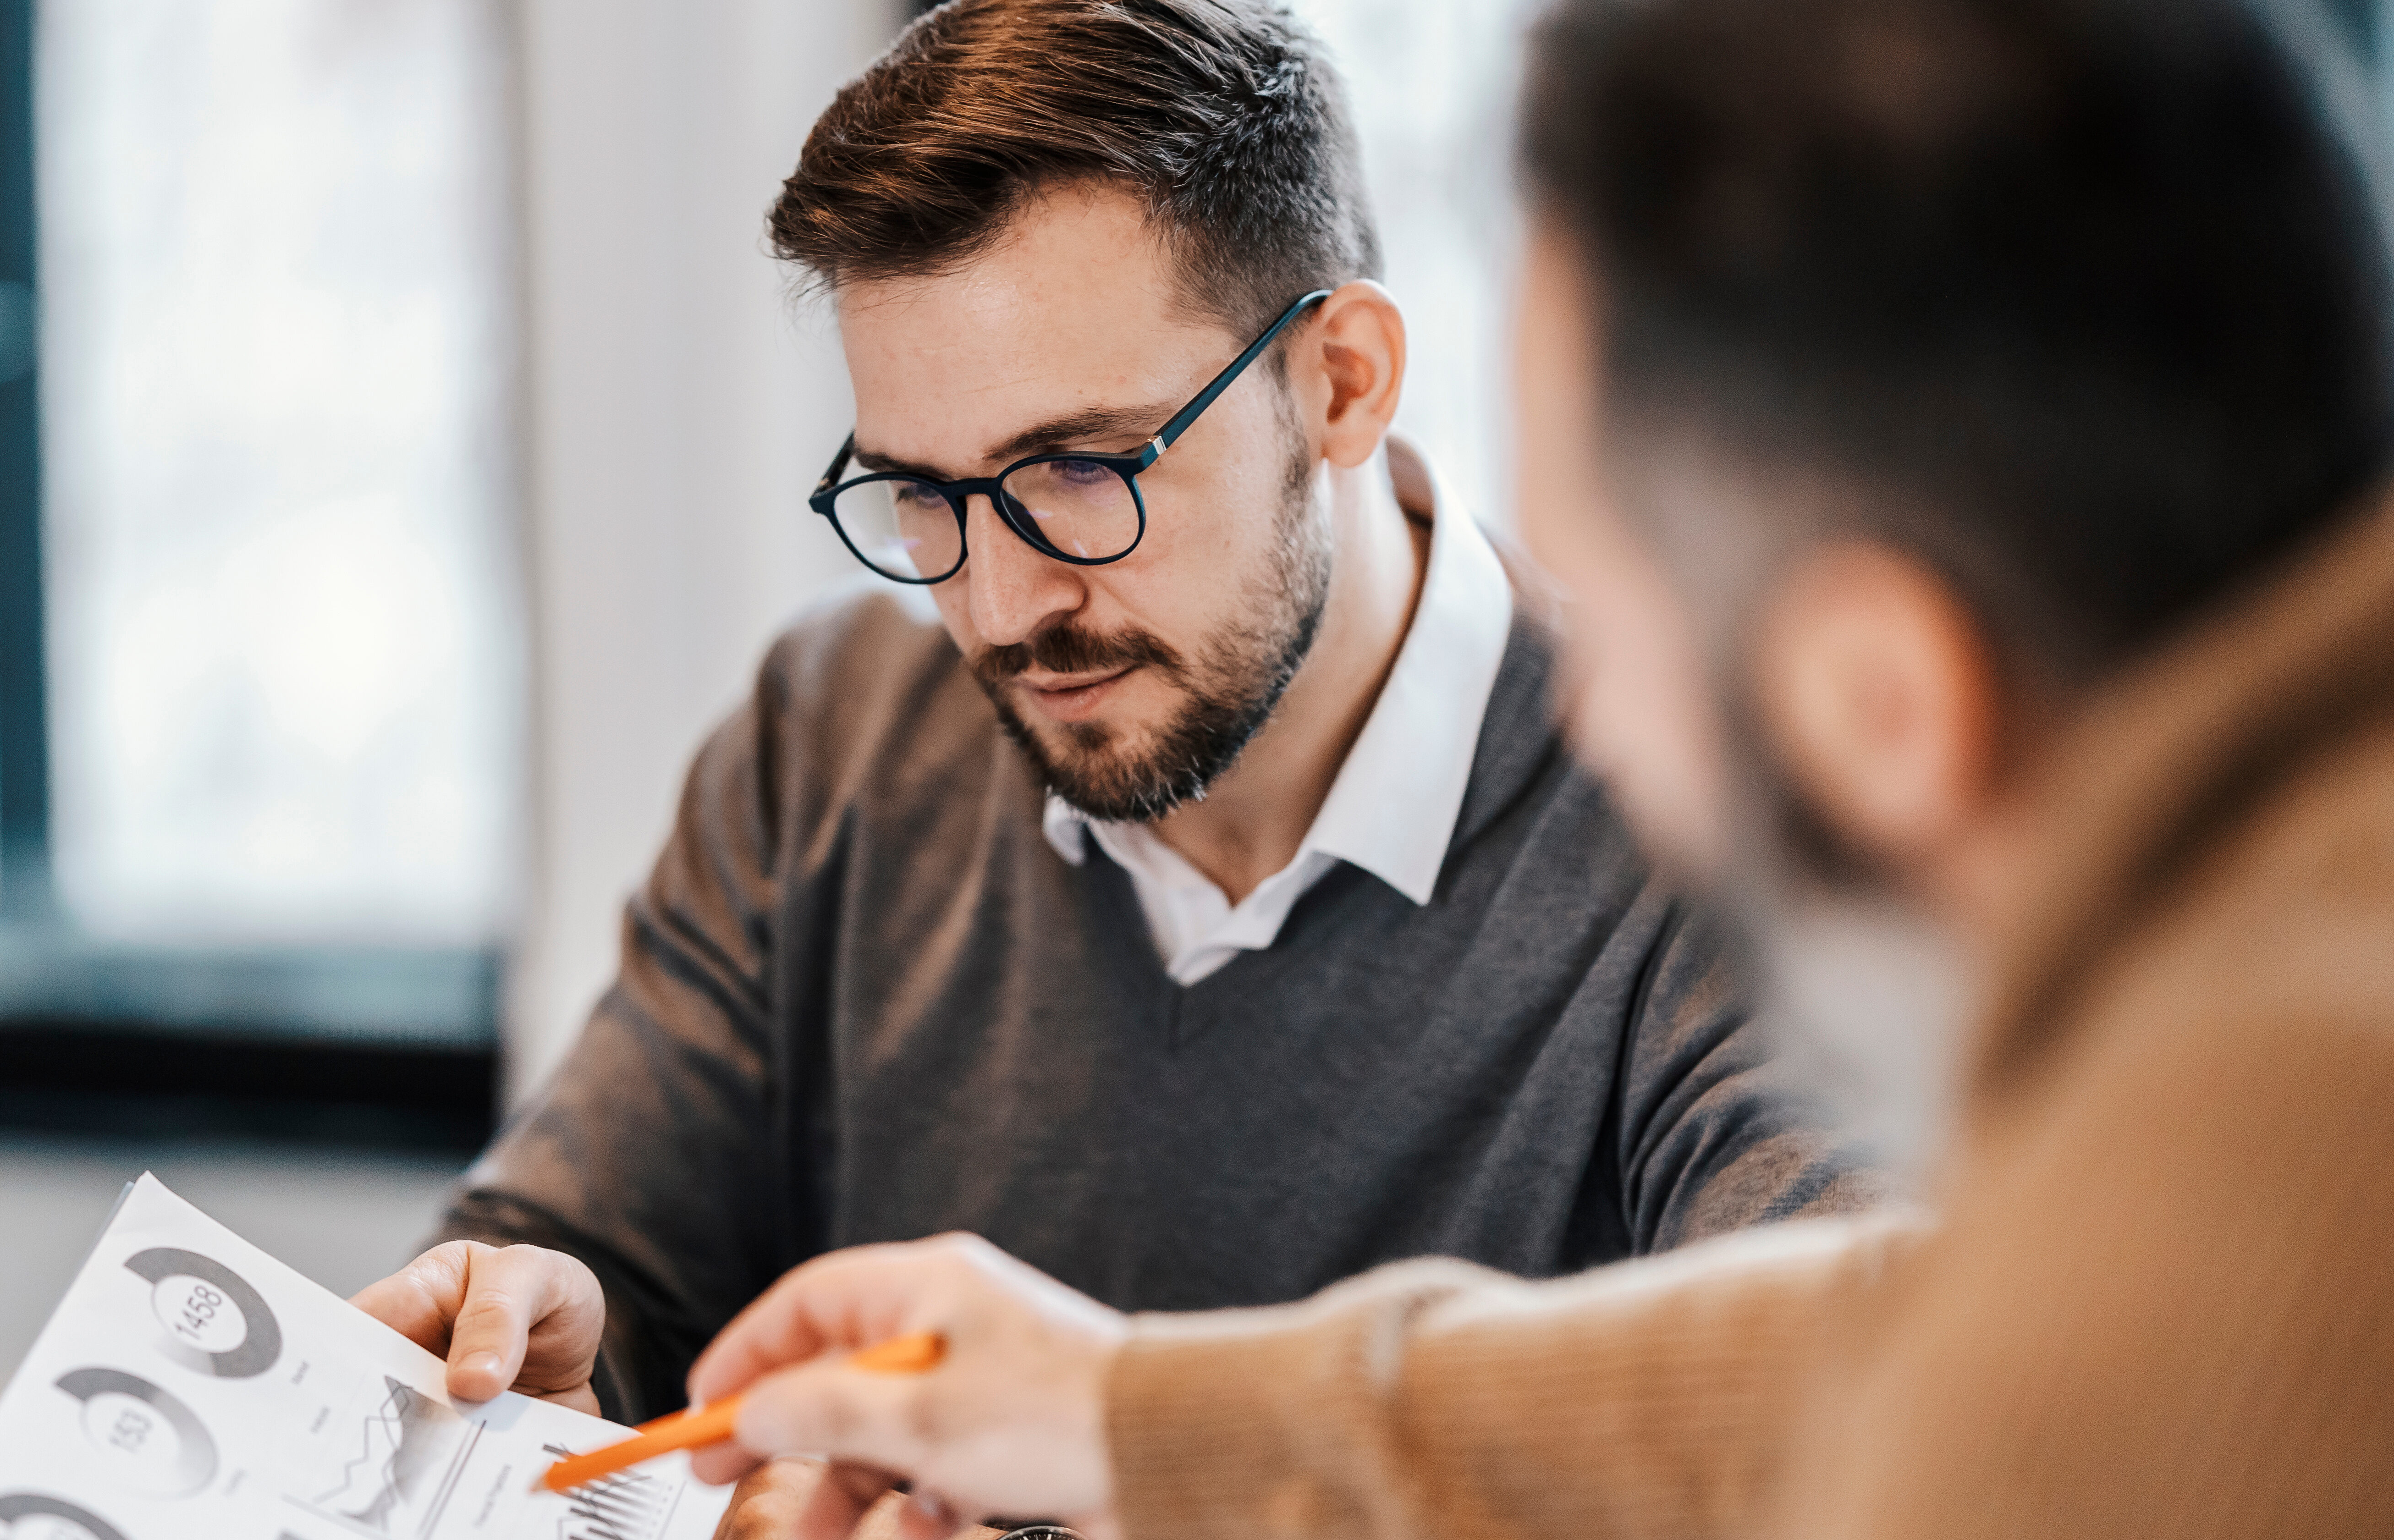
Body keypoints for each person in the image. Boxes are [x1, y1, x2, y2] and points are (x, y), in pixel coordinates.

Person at [677, 0, 2394, 1534]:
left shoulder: (2256, 1201)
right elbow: (1872, 1338)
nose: (1590, 727)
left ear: (1887, 700)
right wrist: (1132, 1423)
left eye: (1623, 622)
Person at [350, 0, 1882, 1526]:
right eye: (923, 496)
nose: (1003, 613)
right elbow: (602, 1277)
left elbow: (1840, 1439)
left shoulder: (1712, 816)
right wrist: (535, 1347)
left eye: (1081, 471)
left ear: (1341, 381)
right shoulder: (835, 733)